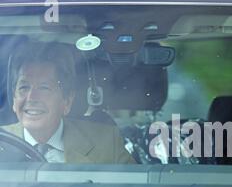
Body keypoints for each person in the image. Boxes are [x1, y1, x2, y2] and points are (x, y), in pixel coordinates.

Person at [2, 42, 134, 164]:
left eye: (44, 88)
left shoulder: (106, 143)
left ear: (67, 101)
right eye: (24, 87)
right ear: (14, 99)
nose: (31, 97)